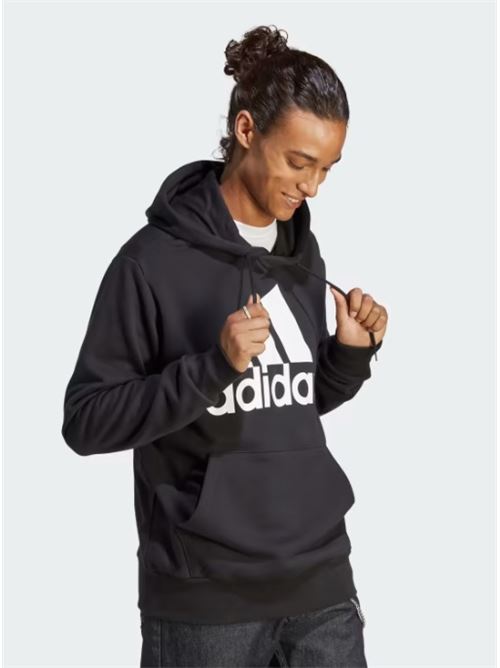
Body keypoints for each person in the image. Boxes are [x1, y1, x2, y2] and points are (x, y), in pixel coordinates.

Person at [61, 23, 388, 668]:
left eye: (326, 168)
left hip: (321, 584)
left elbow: (285, 407)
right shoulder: (150, 263)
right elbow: (85, 422)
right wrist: (211, 368)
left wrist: (348, 357)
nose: (312, 187)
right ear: (246, 130)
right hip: (206, 601)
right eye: (299, 163)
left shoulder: (301, 254)